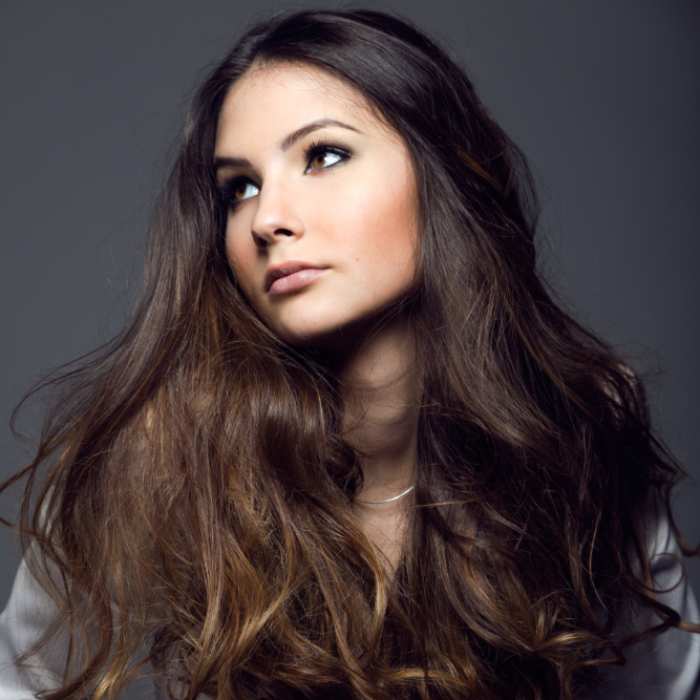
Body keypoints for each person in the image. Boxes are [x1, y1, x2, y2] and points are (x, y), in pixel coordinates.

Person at [0, 9, 698, 700]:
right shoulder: (153, 453)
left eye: (323, 156)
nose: (268, 218)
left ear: (443, 172)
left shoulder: (577, 435)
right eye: (240, 187)